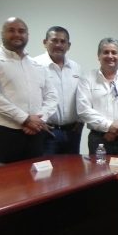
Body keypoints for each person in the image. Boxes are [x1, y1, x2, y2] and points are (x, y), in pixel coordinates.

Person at [0, 17, 57, 163]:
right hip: (2, 134)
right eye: (11, 30)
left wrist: (39, 120)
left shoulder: (37, 65)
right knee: (3, 177)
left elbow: (52, 96)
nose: (17, 34)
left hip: (35, 133)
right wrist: (25, 119)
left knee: (35, 176)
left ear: (27, 35)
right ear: (2, 34)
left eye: (21, 31)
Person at [77, 37, 118, 155]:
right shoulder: (87, 78)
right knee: (98, 167)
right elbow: (83, 110)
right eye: (106, 52)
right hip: (99, 138)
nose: (110, 56)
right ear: (98, 56)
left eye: (114, 52)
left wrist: (116, 130)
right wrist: (109, 126)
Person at [32, 26, 83, 155]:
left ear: (68, 45)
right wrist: (38, 122)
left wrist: (81, 120)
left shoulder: (76, 68)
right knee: (47, 167)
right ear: (45, 42)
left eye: (62, 41)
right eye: (54, 40)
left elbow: (82, 96)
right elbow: (29, 97)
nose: (58, 45)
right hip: (47, 131)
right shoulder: (34, 65)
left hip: (72, 132)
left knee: (73, 167)